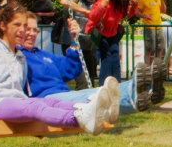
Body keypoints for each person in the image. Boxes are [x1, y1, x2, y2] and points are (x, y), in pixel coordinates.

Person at [0, 5, 116, 135]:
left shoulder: (20, 57)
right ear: (2, 25)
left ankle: (94, 111)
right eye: (17, 25)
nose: (22, 30)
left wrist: (74, 42)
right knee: (36, 107)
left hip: (18, 101)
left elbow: (67, 69)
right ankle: (77, 118)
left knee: (51, 102)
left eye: (24, 25)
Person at [18, 13, 163, 115]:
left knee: (91, 95)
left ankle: (148, 89)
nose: (32, 34)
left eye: (35, 30)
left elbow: (70, 69)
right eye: (28, 29)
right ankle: (137, 90)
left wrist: (74, 41)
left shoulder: (42, 55)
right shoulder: (15, 56)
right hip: (45, 102)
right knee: (95, 96)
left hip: (63, 96)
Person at [85, 0, 139, 85]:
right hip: (101, 34)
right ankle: (104, 86)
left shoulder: (120, 4)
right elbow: (93, 17)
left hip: (112, 35)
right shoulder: (104, 1)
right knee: (107, 59)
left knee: (115, 59)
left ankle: (116, 84)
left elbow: (127, 14)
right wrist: (101, 6)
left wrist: (134, 4)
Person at [60, 0, 101, 84]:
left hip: (88, 44)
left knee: (90, 79)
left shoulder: (96, 0)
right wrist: (85, 12)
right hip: (73, 43)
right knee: (82, 80)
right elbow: (64, 1)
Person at [137, 0, 166, 66]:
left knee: (160, 47)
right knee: (149, 48)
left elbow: (163, 11)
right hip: (149, 27)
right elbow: (137, 12)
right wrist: (145, 16)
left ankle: (158, 66)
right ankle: (147, 66)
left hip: (158, 26)